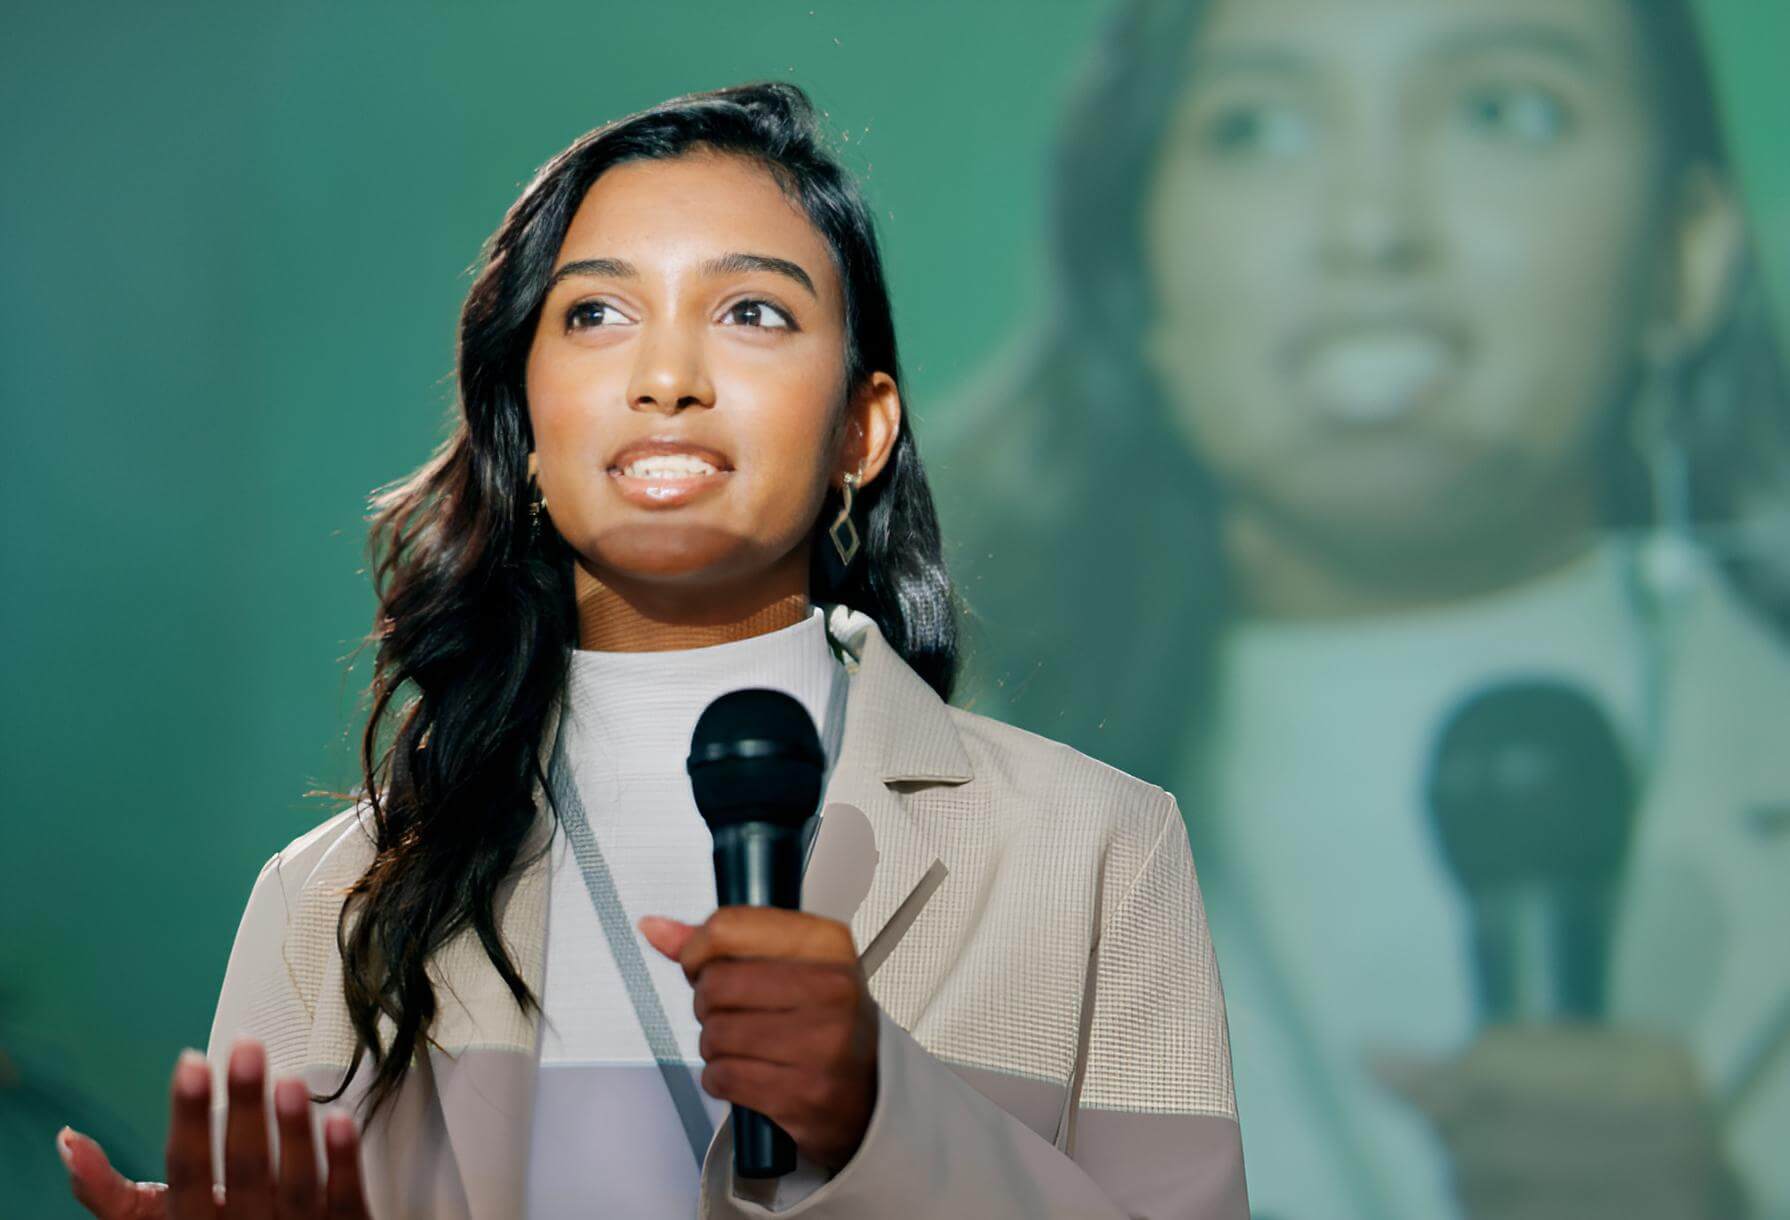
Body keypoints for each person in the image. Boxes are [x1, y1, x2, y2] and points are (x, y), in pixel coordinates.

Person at [54, 83, 1248, 1219]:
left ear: (860, 428)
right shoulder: (332, 896)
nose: (666, 380)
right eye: (595, 314)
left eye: (751, 312)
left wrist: (885, 1110)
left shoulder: (1094, 851)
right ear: (521, 428)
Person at [938, 1, 1790, 1217]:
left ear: (1683, 253)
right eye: (1258, 127)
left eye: (1503, 112)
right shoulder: (881, 826)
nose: (1370, 231)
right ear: (1136, 271)